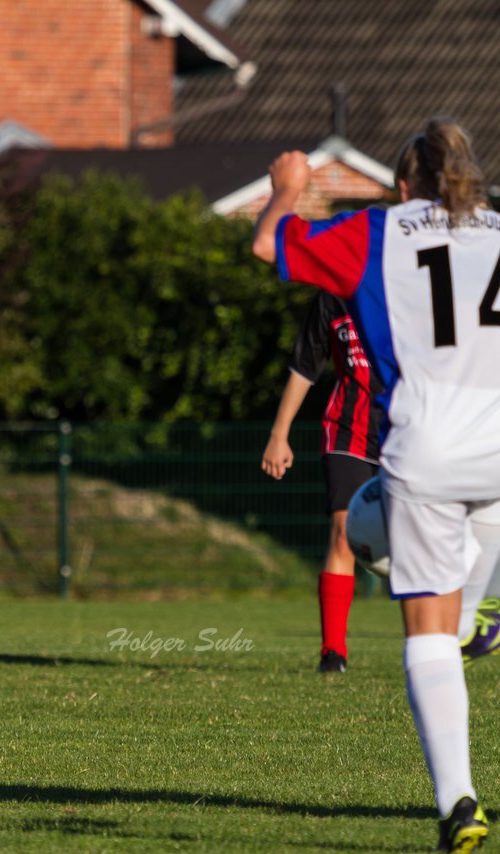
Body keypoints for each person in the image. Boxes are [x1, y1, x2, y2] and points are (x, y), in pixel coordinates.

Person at [252, 117, 500, 853]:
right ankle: (472, 618)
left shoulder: (376, 231)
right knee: (456, 617)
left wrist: (286, 190)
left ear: (402, 185)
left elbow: (272, 245)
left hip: (428, 449)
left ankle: (459, 801)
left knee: (424, 628)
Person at [261, 291, 382, 673]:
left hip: (409, 434)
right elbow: (305, 365)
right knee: (343, 532)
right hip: (348, 433)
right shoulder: (333, 295)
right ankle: (333, 653)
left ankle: (441, 639)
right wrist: (279, 433)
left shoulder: (411, 276)